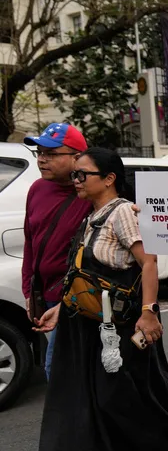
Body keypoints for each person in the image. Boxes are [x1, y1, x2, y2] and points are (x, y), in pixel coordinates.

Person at [30, 148, 168, 451]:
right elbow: (85, 276)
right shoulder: (91, 215)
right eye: (75, 174)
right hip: (89, 321)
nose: (75, 180)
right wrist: (62, 309)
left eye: (83, 174)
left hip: (118, 325)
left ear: (108, 179)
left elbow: (149, 263)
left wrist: (149, 313)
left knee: (118, 395)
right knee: (105, 394)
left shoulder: (122, 212)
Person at [21, 123, 93, 383]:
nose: (42, 159)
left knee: (59, 373)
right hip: (45, 296)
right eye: (39, 152)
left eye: (51, 154)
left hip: (81, 299)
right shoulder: (37, 189)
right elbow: (31, 242)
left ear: (77, 158)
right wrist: (29, 291)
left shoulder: (92, 193)